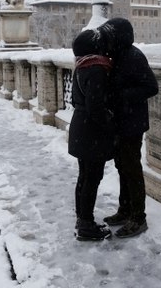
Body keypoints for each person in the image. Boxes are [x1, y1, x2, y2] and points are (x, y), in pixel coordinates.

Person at [98, 18, 159, 238]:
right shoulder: (118, 55)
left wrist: (120, 96)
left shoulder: (134, 56)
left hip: (132, 123)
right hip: (121, 121)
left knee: (131, 169)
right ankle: (124, 210)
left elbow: (151, 87)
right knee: (122, 167)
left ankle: (138, 218)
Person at [68, 29, 115, 241]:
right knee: (92, 178)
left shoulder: (80, 66)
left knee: (84, 176)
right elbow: (96, 107)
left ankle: (82, 219)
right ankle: (86, 225)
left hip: (80, 127)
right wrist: (110, 121)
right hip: (91, 131)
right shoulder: (96, 69)